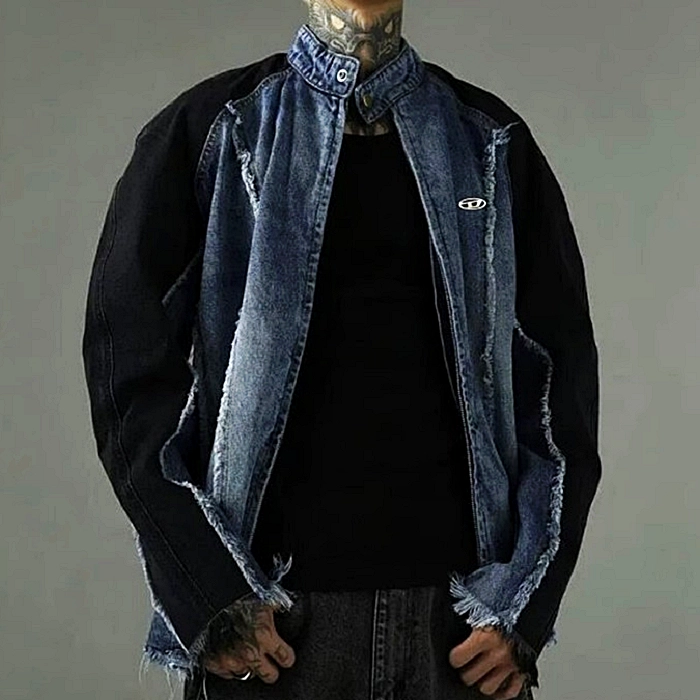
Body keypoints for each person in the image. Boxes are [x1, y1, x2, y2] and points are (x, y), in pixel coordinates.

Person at [81, 1, 602, 698]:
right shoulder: (214, 130)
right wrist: (207, 588)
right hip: (274, 632)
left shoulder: (489, 141)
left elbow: (560, 387)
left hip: (457, 639)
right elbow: (125, 371)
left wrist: (523, 605)